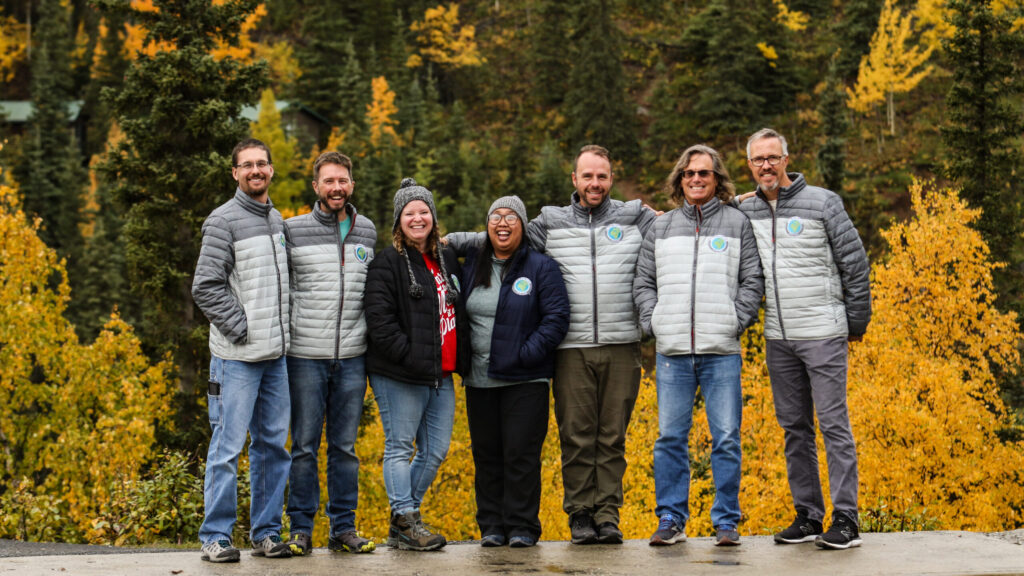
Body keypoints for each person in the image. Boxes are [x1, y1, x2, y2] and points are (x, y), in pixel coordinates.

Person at [739, 128, 871, 550]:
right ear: (750, 165)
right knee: (794, 428)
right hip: (778, 336)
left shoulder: (823, 202)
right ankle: (809, 515)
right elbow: (705, 211)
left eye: (772, 157)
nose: (766, 165)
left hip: (824, 333)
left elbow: (855, 265)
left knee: (834, 426)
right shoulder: (747, 211)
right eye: (758, 160)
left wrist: (855, 324)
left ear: (786, 159)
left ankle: (846, 518)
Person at [525, 145, 656, 544]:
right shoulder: (550, 222)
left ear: (611, 178)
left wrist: (736, 200)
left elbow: (685, 222)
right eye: (588, 176)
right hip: (569, 347)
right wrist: (450, 239)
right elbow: (504, 233)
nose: (595, 183)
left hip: (622, 344)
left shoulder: (636, 217)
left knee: (612, 435)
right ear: (575, 180)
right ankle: (581, 513)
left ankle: (608, 514)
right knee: (577, 434)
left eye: (602, 176)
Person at [634, 145, 763, 547]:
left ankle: (726, 521)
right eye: (689, 174)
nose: (695, 180)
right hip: (672, 352)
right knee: (670, 438)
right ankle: (671, 518)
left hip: (720, 350)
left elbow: (752, 280)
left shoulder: (737, 223)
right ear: (679, 179)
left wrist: (735, 321)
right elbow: (643, 282)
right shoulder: (662, 226)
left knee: (726, 437)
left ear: (717, 179)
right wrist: (654, 322)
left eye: (704, 174)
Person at [192, 138, 292, 562]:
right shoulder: (223, 221)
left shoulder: (276, 219)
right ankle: (215, 536)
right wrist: (243, 329)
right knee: (226, 449)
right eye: (247, 165)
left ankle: (266, 533)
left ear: (271, 170)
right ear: (234, 173)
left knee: (273, 448)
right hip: (236, 360)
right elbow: (205, 287)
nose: (255, 170)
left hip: (275, 359)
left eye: (262, 164)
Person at [457, 196, 570, 548]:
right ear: (486, 226)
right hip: (479, 379)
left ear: (523, 225)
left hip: (526, 379)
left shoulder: (541, 267)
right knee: (487, 455)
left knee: (521, 455)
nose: (502, 224)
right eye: (495, 217)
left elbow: (556, 319)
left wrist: (525, 354)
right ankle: (491, 526)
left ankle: (522, 526)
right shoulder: (471, 264)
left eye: (511, 217)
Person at [282, 152, 376, 556]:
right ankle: (300, 528)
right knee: (303, 445)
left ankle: (343, 528)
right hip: (305, 354)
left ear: (351, 185)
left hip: (353, 355)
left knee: (344, 447)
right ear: (316, 186)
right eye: (329, 181)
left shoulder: (367, 231)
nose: (336, 188)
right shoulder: (293, 230)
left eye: (343, 181)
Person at [364, 177, 462, 551]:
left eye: (424, 211)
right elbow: (380, 321)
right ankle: (405, 517)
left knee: (435, 450)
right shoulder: (386, 263)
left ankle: (404, 522)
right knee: (399, 447)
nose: (417, 218)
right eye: (410, 213)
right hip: (399, 373)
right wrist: (412, 356)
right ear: (398, 221)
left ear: (434, 218)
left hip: (441, 372)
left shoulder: (446, 258)